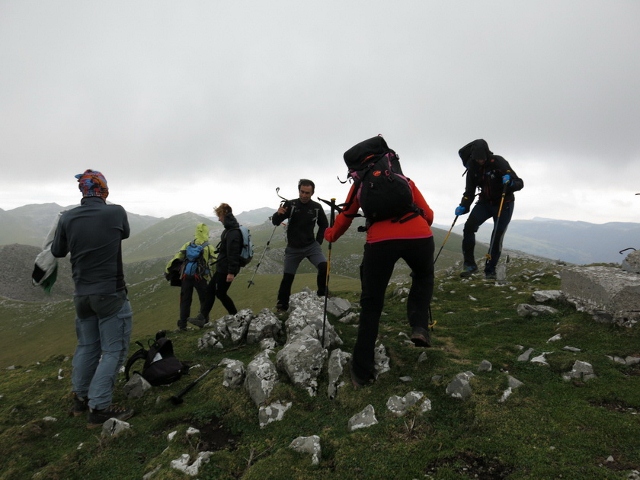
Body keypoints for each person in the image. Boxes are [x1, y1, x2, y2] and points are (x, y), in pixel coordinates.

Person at [324, 139, 435, 388]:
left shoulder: (360, 185)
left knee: (371, 305)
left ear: (355, 169)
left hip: (380, 242)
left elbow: (345, 218)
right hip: (419, 236)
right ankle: (419, 326)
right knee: (423, 275)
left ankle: (362, 372)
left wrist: (329, 235)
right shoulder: (403, 179)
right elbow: (428, 215)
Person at [50, 169, 134, 427]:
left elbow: (57, 250)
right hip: (110, 293)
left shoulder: (67, 218)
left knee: (87, 346)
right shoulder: (116, 212)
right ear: (103, 190)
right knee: (113, 350)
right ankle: (99, 407)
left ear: (82, 191)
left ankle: (80, 398)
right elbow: (124, 233)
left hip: (81, 296)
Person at [455, 139, 524, 279]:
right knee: (469, 227)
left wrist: (510, 182)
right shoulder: (472, 168)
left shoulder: (498, 162)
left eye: (482, 158)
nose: (480, 161)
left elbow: (519, 183)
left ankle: (490, 270)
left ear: (487, 154)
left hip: (504, 203)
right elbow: (469, 192)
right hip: (485, 203)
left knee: (497, 235)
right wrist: (464, 205)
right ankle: (469, 265)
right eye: (478, 159)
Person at [271, 179, 328, 312]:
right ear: (299, 190)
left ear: (312, 193)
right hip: (293, 248)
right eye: (302, 192)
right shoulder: (290, 205)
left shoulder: (316, 207)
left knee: (324, 267)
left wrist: (318, 241)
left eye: (307, 193)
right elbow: (275, 221)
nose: (304, 195)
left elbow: (324, 224)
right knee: (288, 277)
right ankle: (282, 304)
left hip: (311, 246)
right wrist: (277, 214)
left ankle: (322, 293)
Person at [165, 223, 216, 330]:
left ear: (196, 232)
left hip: (186, 276)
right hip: (201, 277)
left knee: (185, 300)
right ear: (206, 233)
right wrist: (215, 277)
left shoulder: (188, 244)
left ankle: (182, 325)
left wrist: (168, 269)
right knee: (204, 299)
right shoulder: (208, 247)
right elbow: (215, 261)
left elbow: (178, 256)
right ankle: (204, 322)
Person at [199, 203, 241, 320]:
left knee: (220, 293)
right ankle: (202, 317)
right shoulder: (229, 230)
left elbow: (233, 253)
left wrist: (231, 272)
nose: (219, 219)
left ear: (225, 214)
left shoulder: (233, 232)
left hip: (227, 268)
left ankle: (235, 316)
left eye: (220, 216)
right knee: (211, 290)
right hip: (222, 267)